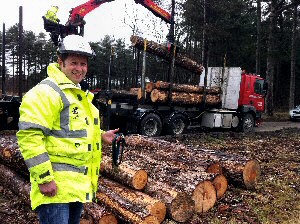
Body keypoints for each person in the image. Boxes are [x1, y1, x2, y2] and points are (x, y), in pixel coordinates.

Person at [16, 34, 119, 224]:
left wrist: (100, 136)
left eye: (83, 64)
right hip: (55, 189)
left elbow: (69, 132)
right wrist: (44, 178)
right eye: (74, 63)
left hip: (75, 187)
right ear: (60, 62)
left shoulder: (75, 94)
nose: (79, 69)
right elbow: (30, 136)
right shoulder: (47, 92)